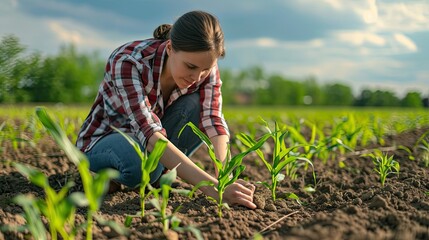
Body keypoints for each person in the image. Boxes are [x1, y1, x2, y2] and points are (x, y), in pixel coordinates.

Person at [76, 10, 256, 209]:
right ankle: (109, 173)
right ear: (170, 48)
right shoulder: (128, 61)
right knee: (142, 166)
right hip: (104, 142)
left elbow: (213, 120)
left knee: (196, 105)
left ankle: (159, 175)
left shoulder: (205, 68)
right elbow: (151, 135)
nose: (197, 77)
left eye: (205, 69)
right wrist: (214, 190)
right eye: (190, 67)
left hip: (152, 143)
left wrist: (225, 179)